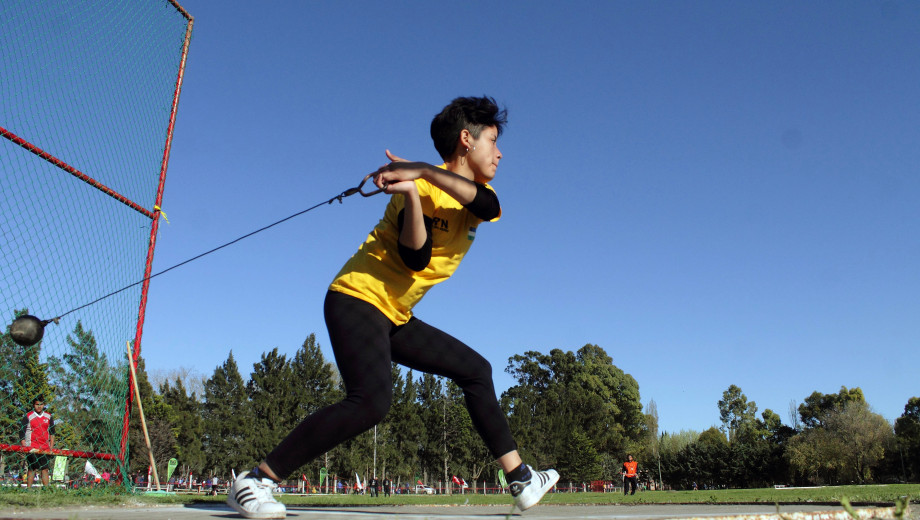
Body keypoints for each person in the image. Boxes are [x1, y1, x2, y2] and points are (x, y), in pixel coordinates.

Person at [227, 96, 559, 519]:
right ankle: (257, 481)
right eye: (492, 140)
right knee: (371, 402)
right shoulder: (413, 192)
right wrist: (415, 192)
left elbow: (489, 205)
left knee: (476, 370)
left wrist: (421, 168)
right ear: (465, 140)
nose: (499, 152)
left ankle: (521, 478)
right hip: (357, 297)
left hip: (395, 316)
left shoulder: (474, 195)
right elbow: (415, 260)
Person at [21, 396, 55, 488]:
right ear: (33, 405)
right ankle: (28, 489)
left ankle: (46, 489)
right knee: (32, 468)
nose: (39, 406)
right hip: (32, 447)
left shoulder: (48, 416)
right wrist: (25, 446)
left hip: (44, 447)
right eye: (37, 404)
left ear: (44, 405)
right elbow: (22, 433)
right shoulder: (28, 416)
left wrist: (51, 447)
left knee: (45, 469)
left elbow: (52, 433)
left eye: (41, 404)